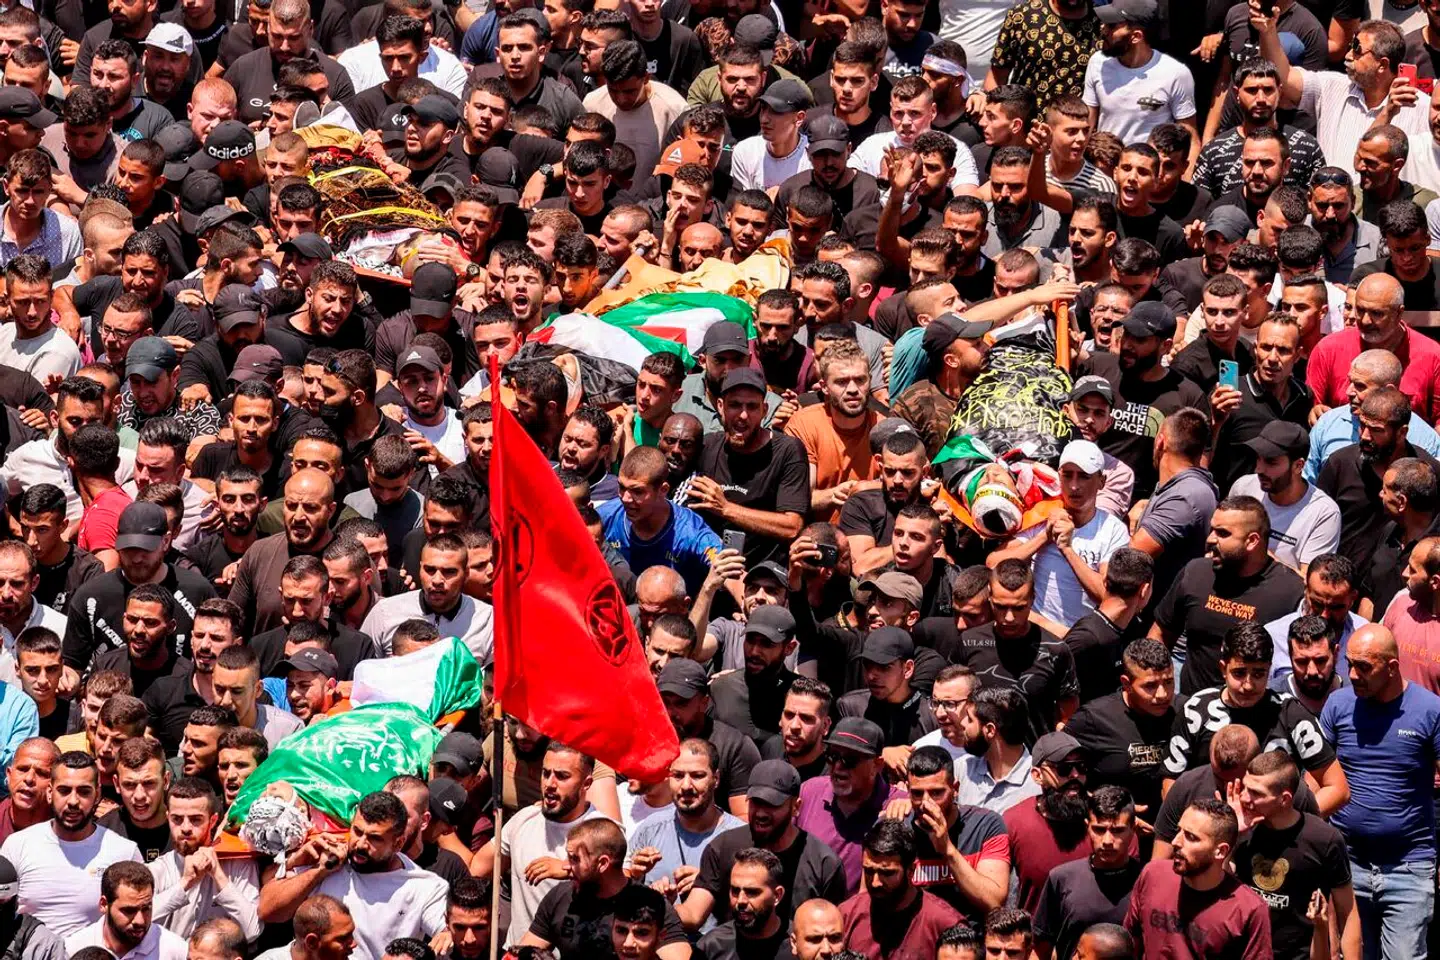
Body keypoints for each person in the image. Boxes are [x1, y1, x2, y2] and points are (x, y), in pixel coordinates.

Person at [1322, 624, 1440, 957]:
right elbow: (1316, 778)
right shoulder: (1338, 705)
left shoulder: (1430, 711)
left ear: (1391, 667)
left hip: (1408, 867)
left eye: (1364, 667)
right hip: (1346, 864)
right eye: (1349, 663)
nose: (1353, 674)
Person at [258, 791, 447, 960]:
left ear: (398, 844)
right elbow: (268, 911)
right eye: (357, 831)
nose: (361, 844)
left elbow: (447, 933)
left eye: (375, 838)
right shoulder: (329, 856)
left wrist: (446, 933)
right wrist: (317, 870)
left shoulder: (425, 887)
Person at [1150, 496, 1306, 696]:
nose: (1210, 539)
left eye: (1223, 533)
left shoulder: (1290, 592)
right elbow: (1161, 633)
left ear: (1252, 541)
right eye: (1212, 530)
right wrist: (1159, 683)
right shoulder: (1196, 573)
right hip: (1192, 711)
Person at [1230, 751, 1359, 960]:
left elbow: (1348, 912)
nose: (1244, 797)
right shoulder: (1242, 830)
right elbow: (1216, 887)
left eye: (1256, 793)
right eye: (1245, 787)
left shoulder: (1323, 840)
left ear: (1284, 799)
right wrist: (1232, 834)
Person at [988, 439, 1128, 630]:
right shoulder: (1040, 516)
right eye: (1067, 476)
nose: (1074, 486)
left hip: (1082, 640)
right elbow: (994, 563)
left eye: (1084, 477)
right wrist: (1044, 536)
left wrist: (1068, 550)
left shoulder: (1113, 529)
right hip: (1037, 635)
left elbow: (1107, 595)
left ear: (1101, 482)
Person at [0, 751, 142, 937]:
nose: (73, 801)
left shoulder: (124, 852)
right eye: (64, 790)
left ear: (97, 793)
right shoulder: (18, 845)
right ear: (50, 792)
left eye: (83, 792)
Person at [1122, 799, 1271, 957]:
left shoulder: (1249, 910)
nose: (1175, 842)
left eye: (1191, 837)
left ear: (1220, 851)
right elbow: (1129, 942)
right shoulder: (1153, 875)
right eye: (1178, 831)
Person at [1031, 786, 1141, 960]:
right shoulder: (1062, 879)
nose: (1107, 841)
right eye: (1098, 830)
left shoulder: (1146, 881)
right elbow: (1040, 949)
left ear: (1133, 829)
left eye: (1117, 831)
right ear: (1087, 827)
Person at [837, 819, 963, 960]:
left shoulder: (944, 924)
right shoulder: (846, 917)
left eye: (887, 873)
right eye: (869, 871)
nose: (875, 882)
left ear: (911, 871)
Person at [64, 860, 188, 960]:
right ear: (104, 904)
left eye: (146, 909)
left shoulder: (175, 950)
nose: (140, 921)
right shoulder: (73, 949)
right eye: (129, 911)